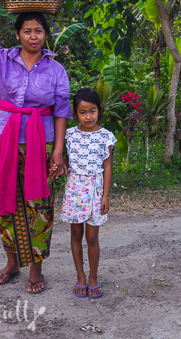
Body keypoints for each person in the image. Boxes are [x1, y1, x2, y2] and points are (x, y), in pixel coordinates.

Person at [0, 0, 72, 293]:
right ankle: (11, 262)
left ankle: (36, 268)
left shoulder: (57, 70)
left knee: (40, 205)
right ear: (18, 34)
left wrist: (58, 151)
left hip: (42, 144)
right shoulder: (0, 58)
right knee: (6, 201)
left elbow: (61, 111)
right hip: (4, 140)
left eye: (39, 31)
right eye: (27, 31)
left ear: (46, 34)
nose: (33, 36)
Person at [59, 87, 116, 298]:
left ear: (99, 110)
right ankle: (80, 277)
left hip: (95, 190)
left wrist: (105, 195)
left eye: (92, 111)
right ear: (76, 114)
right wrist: (62, 165)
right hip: (74, 190)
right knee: (76, 234)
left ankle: (93, 277)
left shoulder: (106, 137)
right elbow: (67, 159)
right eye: (83, 112)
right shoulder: (70, 135)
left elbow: (107, 167)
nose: (88, 116)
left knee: (92, 237)